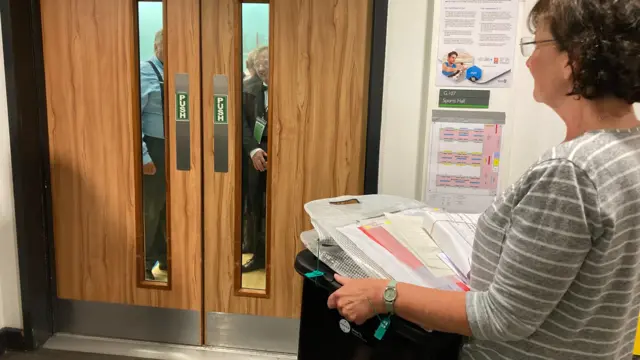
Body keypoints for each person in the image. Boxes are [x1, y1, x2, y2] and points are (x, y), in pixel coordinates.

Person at [328, 0, 640, 359]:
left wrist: (383, 294)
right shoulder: (627, 148)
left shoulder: (572, 173)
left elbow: (503, 317)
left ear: (575, 59)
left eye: (537, 45)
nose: (528, 61)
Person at [140, 29, 167, 280]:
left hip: (176, 149)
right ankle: (145, 263)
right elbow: (132, 118)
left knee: (168, 208)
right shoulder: (143, 71)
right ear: (157, 45)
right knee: (151, 208)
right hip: (154, 148)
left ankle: (165, 257)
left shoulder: (182, 71)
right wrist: (144, 156)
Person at [241, 46, 269, 273]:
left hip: (286, 154)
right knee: (255, 205)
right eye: (258, 63)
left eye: (266, 62)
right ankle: (258, 255)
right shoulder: (247, 88)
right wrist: (253, 150)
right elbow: (241, 124)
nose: (261, 68)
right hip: (256, 154)